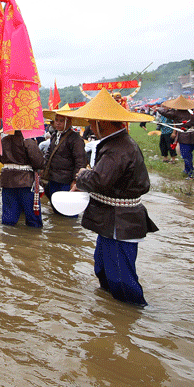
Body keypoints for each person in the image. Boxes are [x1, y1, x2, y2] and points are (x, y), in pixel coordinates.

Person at [70, 90, 156, 306]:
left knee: (121, 278)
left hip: (121, 220)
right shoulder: (115, 144)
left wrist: (82, 176)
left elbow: (99, 181)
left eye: (91, 121)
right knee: (103, 268)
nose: (89, 124)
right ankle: (111, 312)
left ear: (102, 123)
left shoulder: (119, 148)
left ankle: (134, 314)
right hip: (111, 218)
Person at [41, 108, 87, 213]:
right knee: (55, 206)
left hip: (66, 180)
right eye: (56, 120)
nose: (57, 123)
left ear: (69, 122)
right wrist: (43, 169)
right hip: (53, 178)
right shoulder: (54, 136)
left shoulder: (75, 139)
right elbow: (48, 154)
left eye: (61, 121)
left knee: (68, 210)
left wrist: (75, 181)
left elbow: (80, 161)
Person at [0, 130, 46, 227]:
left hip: (7, 182)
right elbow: (39, 163)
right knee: (33, 220)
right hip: (26, 183)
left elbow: (0, 158)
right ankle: (34, 240)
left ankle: (7, 240)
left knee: (8, 219)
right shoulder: (28, 141)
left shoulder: (3, 141)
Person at [162, 96, 194, 179]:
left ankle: (192, 174)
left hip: (184, 137)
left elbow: (164, 112)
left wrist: (158, 108)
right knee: (188, 154)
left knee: (186, 156)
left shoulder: (176, 113)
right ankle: (186, 169)